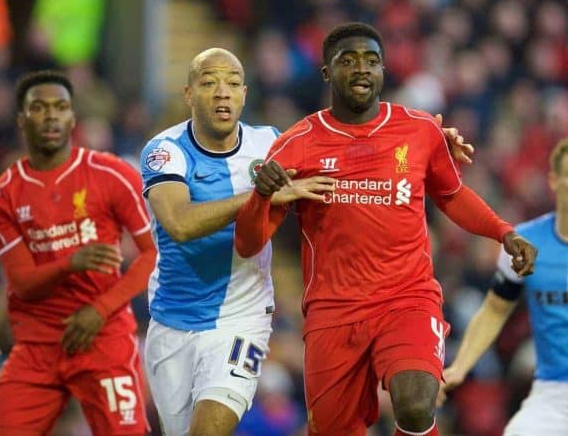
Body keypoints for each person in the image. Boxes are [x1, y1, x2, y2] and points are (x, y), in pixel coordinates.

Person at [140, 47, 473, 436]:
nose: (221, 93)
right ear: (188, 93)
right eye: (209, 83)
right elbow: (179, 223)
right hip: (172, 321)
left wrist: (429, 142)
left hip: (242, 319)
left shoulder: (272, 144)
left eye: (231, 84)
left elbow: (347, 152)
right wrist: (260, 195)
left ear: (245, 94)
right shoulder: (165, 152)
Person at [234, 22, 538, 436]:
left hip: (406, 297)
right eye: (349, 60)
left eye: (372, 61)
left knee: (415, 404)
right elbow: (250, 243)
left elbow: (451, 194)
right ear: (326, 72)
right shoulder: (297, 144)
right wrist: (261, 197)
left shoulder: (419, 131)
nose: (362, 69)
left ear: (383, 70)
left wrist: (505, 231)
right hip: (333, 311)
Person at [0, 70, 156, 436]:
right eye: (39, 108)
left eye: (60, 107)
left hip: (104, 337)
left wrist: (99, 310)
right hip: (38, 344)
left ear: (73, 117)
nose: (50, 116)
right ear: (20, 119)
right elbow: (23, 283)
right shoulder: (3, 194)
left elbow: (150, 255)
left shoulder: (113, 175)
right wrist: (70, 263)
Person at [438, 138, 568, 435]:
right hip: (554, 391)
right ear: (554, 181)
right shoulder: (526, 241)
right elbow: (495, 310)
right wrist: (460, 367)